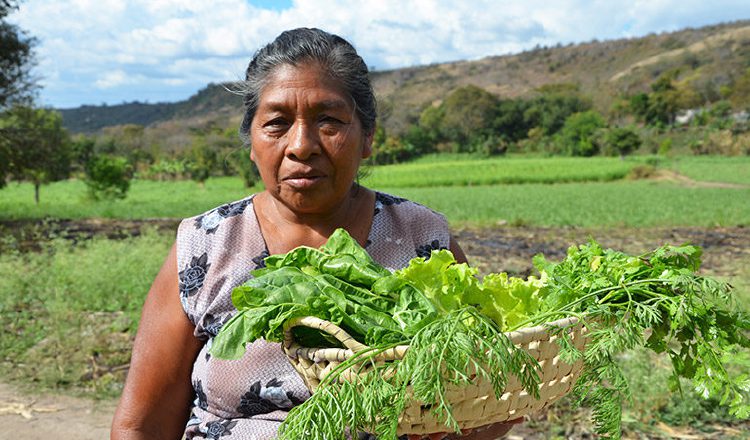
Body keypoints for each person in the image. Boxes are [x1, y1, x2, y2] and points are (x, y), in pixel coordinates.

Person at [110, 28, 521, 440]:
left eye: (329, 120)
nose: (301, 145)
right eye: (277, 123)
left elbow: (483, 407)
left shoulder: (422, 240)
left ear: (368, 138)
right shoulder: (207, 244)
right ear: (252, 141)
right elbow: (140, 426)